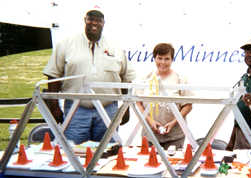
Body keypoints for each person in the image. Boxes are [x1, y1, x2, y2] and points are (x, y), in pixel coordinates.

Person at [43, 8, 135, 145]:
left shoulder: (116, 47)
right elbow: (53, 75)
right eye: (91, 19)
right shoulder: (65, 44)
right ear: (84, 20)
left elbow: (126, 79)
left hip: (108, 110)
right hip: (76, 110)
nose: (94, 23)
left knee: (107, 153)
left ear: (104, 23)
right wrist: (54, 106)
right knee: (74, 154)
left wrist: (125, 108)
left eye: (98, 20)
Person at [136, 43, 193, 150]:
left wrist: (173, 123)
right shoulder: (145, 78)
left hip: (175, 136)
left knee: (173, 165)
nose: (163, 62)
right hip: (149, 135)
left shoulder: (181, 79)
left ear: (172, 60)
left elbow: (188, 105)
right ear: (154, 58)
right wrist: (150, 120)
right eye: (159, 58)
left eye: (167, 59)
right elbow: (138, 104)